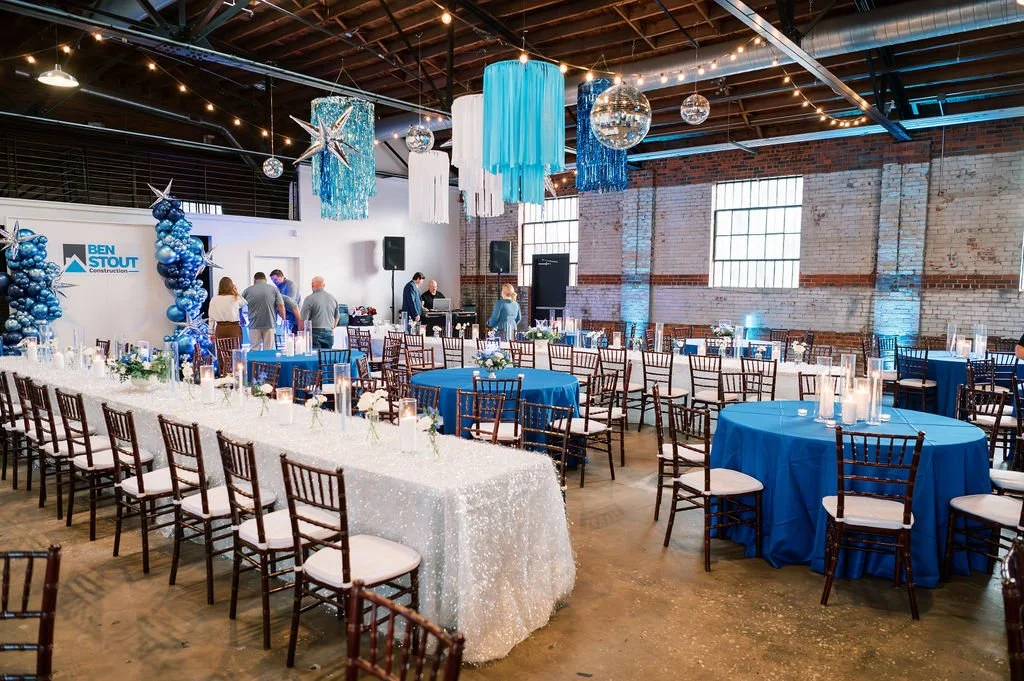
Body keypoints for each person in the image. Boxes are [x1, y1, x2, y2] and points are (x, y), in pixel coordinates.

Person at [242, 272, 285, 350]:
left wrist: (242, 319)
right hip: (270, 324)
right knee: (269, 350)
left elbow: (239, 305)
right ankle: (268, 363)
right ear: (265, 280)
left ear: (254, 280)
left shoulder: (247, 290)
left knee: (254, 349)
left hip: (254, 325)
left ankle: (254, 362)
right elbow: (281, 305)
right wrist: (284, 319)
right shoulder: (274, 289)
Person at [301, 276, 340, 350]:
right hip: (329, 332)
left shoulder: (309, 299)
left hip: (314, 333)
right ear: (323, 285)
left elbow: (303, 320)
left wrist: (302, 335)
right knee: (327, 357)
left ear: (312, 285)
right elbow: (337, 317)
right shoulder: (333, 298)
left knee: (315, 358)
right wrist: (331, 328)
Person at [208, 276, 246, 344]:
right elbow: (245, 303)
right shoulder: (235, 298)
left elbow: (211, 318)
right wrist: (235, 291)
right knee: (235, 352)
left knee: (222, 352)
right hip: (233, 328)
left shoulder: (214, 300)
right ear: (231, 286)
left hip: (220, 329)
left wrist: (211, 333)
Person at [270, 269, 301, 333]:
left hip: (295, 319)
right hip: (288, 320)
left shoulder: (291, 285)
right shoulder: (278, 288)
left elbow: (291, 303)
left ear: (282, 277)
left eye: (275, 280)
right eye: (273, 281)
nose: (274, 282)